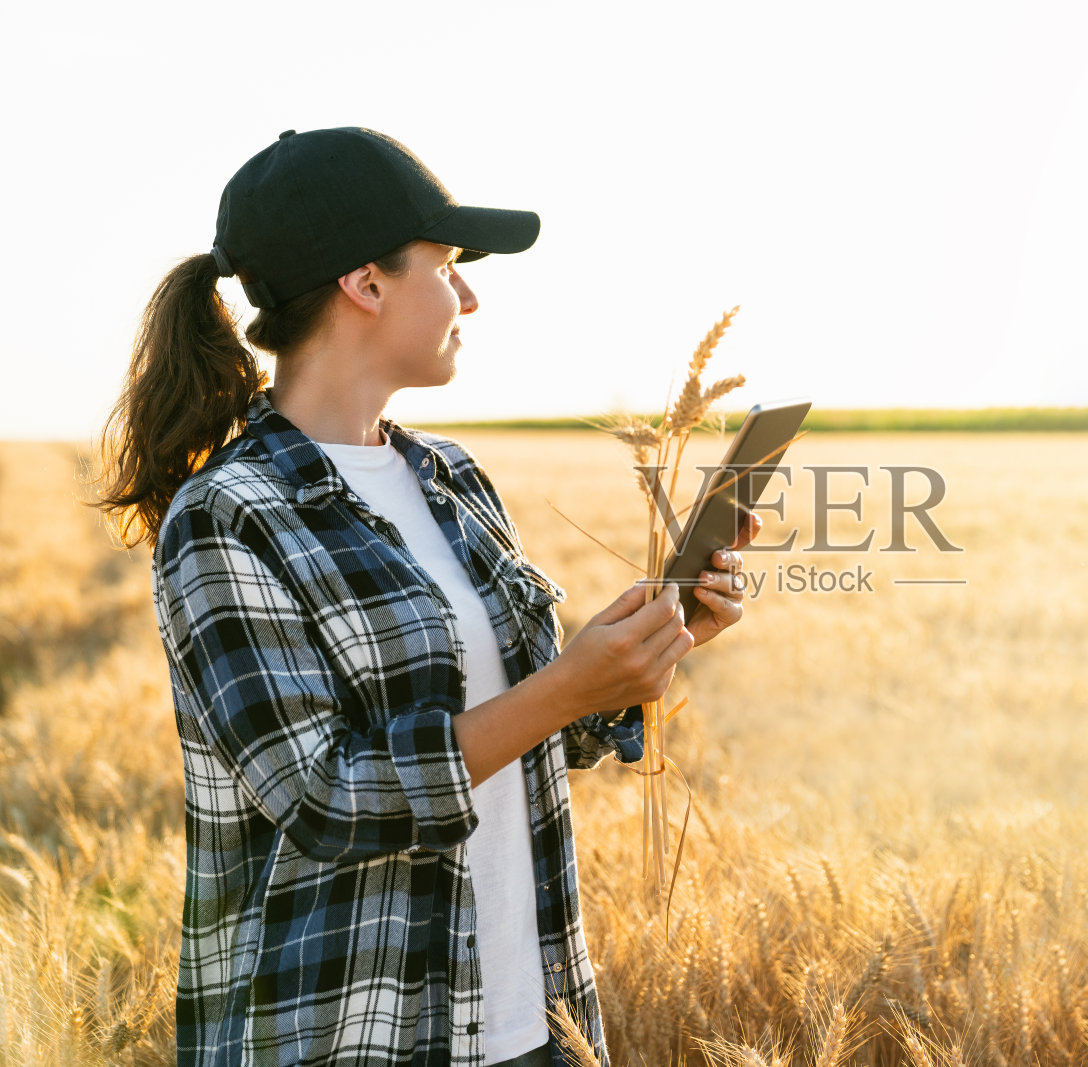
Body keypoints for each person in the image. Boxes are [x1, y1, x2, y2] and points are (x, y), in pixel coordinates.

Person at [94, 127, 757, 1067]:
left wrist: (654, 642)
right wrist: (566, 686)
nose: (470, 297)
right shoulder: (228, 514)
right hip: (350, 1038)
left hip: (533, 1020)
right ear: (365, 283)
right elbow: (325, 797)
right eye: (448, 267)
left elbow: (528, 729)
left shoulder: (452, 477)